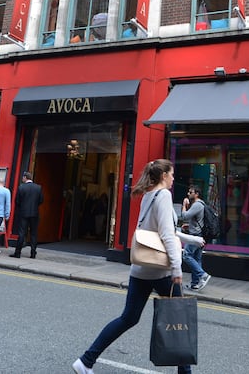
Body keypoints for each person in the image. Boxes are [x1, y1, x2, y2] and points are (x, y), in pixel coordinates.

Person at [72, 159, 195, 374]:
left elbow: (158, 231)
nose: (174, 178)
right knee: (179, 319)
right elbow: (166, 235)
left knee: (128, 318)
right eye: (172, 174)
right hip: (161, 271)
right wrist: (176, 269)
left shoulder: (149, 195)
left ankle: (85, 361)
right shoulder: (164, 196)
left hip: (141, 269)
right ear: (164, 175)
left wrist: (192, 240)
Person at [180, 186, 210, 291]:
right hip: (200, 234)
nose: (188, 194)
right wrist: (189, 226)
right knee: (197, 259)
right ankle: (195, 283)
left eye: (191, 192)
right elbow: (198, 220)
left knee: (186, 255)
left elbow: (185, 216)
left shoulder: (197, 204)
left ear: (196, 194)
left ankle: (203, 275)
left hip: (195, 236)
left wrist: (184, 205)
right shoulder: (201, 204)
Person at [10, 171, 44, 259]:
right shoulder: (38, 188)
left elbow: (17, 201)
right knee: (33, 233)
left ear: (25, 177)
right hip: (34, 213)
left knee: (21, 233)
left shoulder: (21, 187)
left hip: (23, 213)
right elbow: (41, 200)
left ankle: (18, 253)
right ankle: (33, 253)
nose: (22, 179)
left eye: (23, 177)